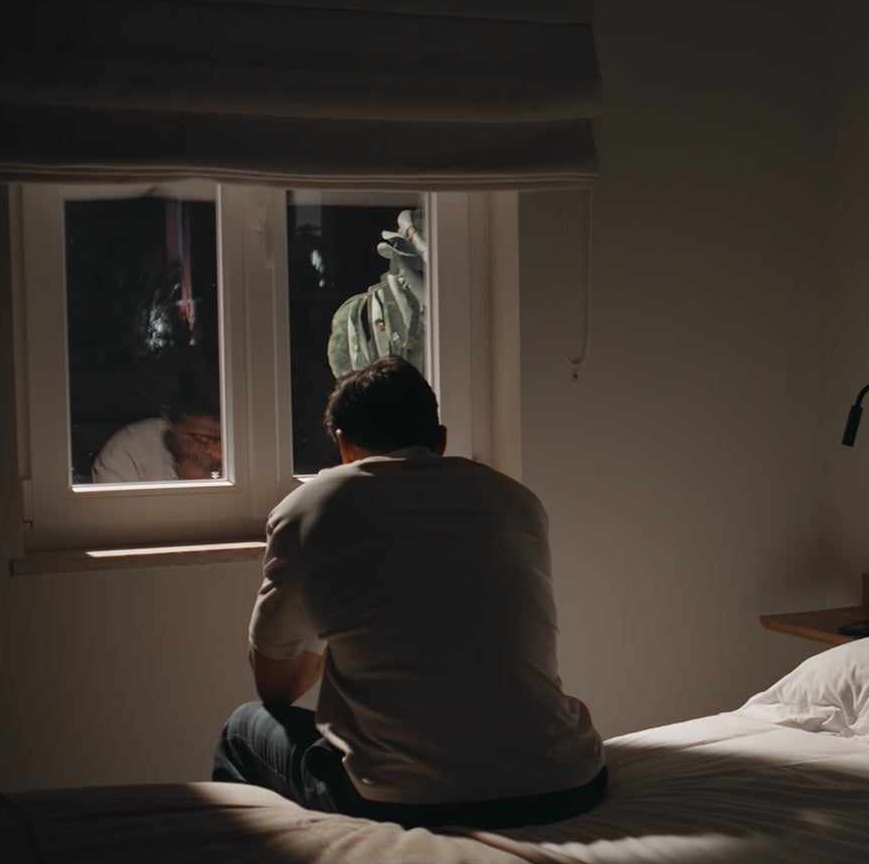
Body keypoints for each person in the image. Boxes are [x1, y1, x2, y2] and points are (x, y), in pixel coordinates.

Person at [212, 355, 607, 828]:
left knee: (242, 729)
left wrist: (331, 618)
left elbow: (275, 689)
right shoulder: (514, 501)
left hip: (404, 799)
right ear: (440, 440)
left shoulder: (307, 510)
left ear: (343, 444)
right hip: (566, 784)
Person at [90, 368, 224, 483]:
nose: (211, 451)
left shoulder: (235, 450)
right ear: (167, 419)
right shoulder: (126, 453)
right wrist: (193, 489)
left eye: (219, 439)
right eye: (200, 439)